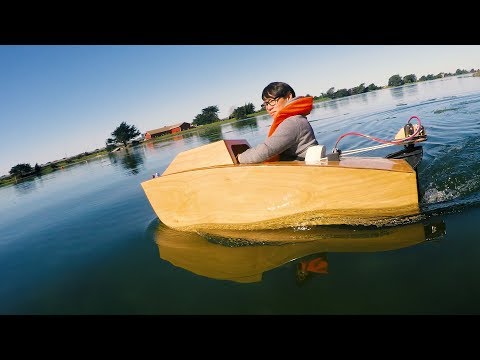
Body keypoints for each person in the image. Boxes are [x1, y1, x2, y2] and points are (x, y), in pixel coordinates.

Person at [237, 82, 318, 163]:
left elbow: (267, 149)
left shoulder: (293, 122)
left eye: (272, 101)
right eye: (266, 104)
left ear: (288, 97)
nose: (268, 108)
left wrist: (238, 158)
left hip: (302, 171)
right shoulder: (296, 119)